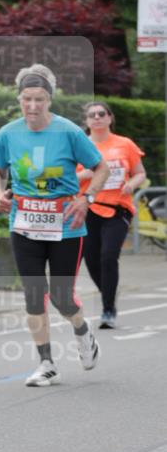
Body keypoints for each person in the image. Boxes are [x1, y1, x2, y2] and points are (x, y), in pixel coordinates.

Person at [0, 65, 109, 387]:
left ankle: (82, 330)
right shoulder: (8, 133)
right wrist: (0, 195)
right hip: (24, 224)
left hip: (66, 226)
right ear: (19, 99)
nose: (32, 106)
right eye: (26, 99)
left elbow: (101, 167)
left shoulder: (68, 132)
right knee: (33, 294)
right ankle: (46, 363)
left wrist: (87, 198)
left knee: (61, 298)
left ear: (49, 100)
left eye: (39, 99)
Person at [77, 102, 146, 329]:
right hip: (87, 207)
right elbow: (67, 179)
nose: (97, 118)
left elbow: (139, 173)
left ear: (109, 118)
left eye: (101, 114)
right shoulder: (79, 146)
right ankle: (108, 292)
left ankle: (108, 309)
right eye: (92, 115)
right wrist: (87, 174)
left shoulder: (124, 144)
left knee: (108, 256)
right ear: (86, 121)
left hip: (118, 208)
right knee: (92, 259)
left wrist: (131, 185)